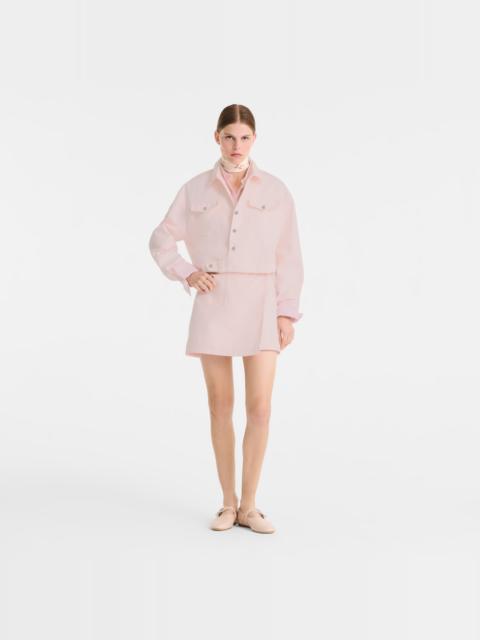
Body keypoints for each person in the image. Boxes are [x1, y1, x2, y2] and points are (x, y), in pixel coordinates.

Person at [149, 104, 304, 533]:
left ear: (255, 140)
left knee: (260, 408)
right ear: (216, 137)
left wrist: (286, 313)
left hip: (262, 304)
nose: (237, 145)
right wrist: (187, 272)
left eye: (245, 137)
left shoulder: (276, 191)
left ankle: (250, 506)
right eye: (229, 137)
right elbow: (161, 240)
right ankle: (227, 503)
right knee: (220, 406)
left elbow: (289, 255)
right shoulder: (194, 190)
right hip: (214, 303)